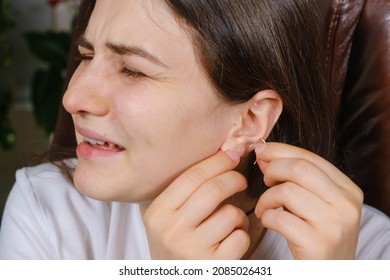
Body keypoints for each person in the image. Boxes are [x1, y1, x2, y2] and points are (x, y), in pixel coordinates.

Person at [1, 0, 389, 260]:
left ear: (251, 120)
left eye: (132, 69)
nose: (72, 97)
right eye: (86, 55)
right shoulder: (48, 211)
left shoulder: (367, 247)